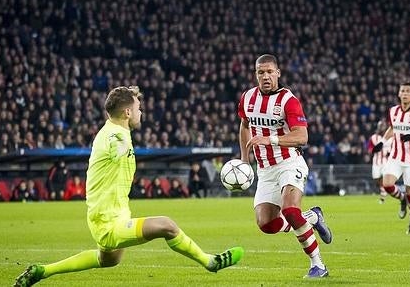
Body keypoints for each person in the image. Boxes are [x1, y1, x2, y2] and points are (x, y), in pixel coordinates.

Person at [14, 86, 243, 287]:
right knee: (168, 225)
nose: (140, 111)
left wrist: (129, 93)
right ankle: (209, 262)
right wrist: (120, 149)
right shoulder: (116, 137)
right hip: (107, 220)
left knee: (109, 260)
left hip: (115, 212)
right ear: (127, 112)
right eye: (138, 107)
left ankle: (42, 271)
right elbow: (116, 147)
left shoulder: (115, 130)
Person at [238, 54, 332, 278]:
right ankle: (312, 217)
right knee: (266, 224)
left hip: (289, 162)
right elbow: (244, 126)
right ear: (256, 75)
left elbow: (302, 136)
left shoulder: (288, 100)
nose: (266, 76)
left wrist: (269, 140)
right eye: (261, 72)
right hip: (265, 170)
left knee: (290, 210)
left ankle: (318, 265)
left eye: (270, 72)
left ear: (278, 73)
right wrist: (244, 158)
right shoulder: (247, 97)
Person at [372, 82, 410, 234]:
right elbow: (392, 128)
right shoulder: (393, 111)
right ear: (399, 94)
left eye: (408, 91)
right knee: (387, 184)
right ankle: (401, 199)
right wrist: (382, 142)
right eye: (402, 91)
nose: (405, 94)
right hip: (395, 157)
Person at [367, 120, 392, 204]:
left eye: (383, 126)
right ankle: (383, 190)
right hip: (376, 161)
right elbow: (370, 148)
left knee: (383, 178)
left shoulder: (390, 138)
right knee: (376, 178)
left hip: (385, 161)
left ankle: (383, 195)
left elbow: (392, 149)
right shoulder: (374, 137)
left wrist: (390, 153)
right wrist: (372, 151)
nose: (382, 128)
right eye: (380, 126)